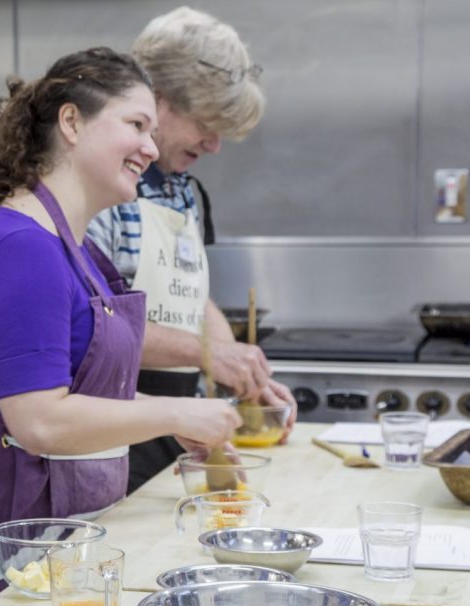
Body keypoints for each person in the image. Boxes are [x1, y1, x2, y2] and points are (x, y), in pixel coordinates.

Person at [0, 47, 241, 575]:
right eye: (137, 124)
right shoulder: (21, 245)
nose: (150, 146)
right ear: (71, 121)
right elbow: (40, 420)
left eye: (153, 130)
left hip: (46, 531)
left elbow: (87, 392)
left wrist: (171, 423)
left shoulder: (76, 248)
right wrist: (174, 413)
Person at [87, 6, 296, 493]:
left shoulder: (184, 191)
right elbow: (91, 327)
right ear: (158, 102)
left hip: (179, 429)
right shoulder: (103, 195)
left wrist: (243, 371)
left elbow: (190, 299)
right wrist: (210, 355)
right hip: (113, 426)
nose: (215, 144)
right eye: (208, 123)